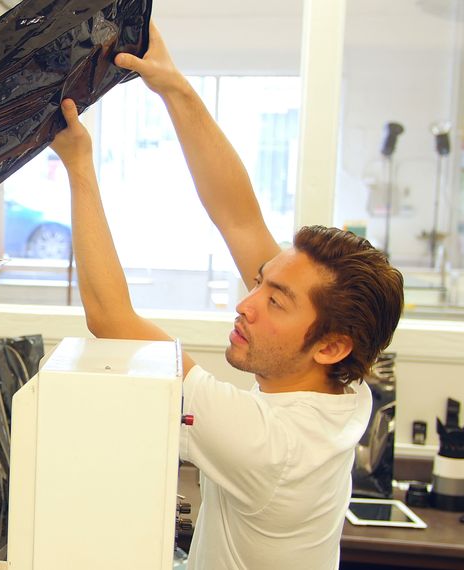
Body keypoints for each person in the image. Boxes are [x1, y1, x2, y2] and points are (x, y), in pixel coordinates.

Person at [49, 22, 405, 570]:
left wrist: (77, 166)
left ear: (331, 346)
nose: (247, 301)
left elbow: (110, 318)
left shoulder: (269, 443)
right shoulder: (341, 391)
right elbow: (238, 219)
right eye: (262, 282)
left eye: (275, 300)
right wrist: (174, 87)